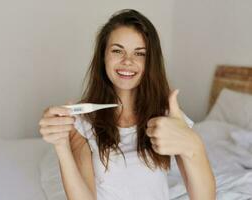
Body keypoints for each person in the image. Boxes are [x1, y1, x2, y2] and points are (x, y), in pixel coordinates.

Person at [38, 9, 215, 200]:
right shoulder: (82, 123)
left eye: (139, 54)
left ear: (150, 62)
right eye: (117, 50)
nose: (128, 61)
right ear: (103, 57)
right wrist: (61, 146)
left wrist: (193, 144)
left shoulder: (169, 118)